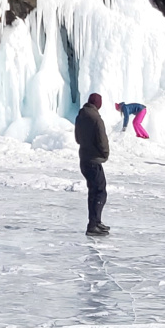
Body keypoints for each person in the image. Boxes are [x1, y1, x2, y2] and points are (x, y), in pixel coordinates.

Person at [74, 91, 110, 236]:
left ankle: (95, 222)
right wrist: (105, 154)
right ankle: (93, 224)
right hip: (94, 160)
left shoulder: (80, 116)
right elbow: (102, 139)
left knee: (93, 191)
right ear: (98, 104)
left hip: (84, 159)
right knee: (100, 192)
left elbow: (77, 138)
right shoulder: (96, 119)